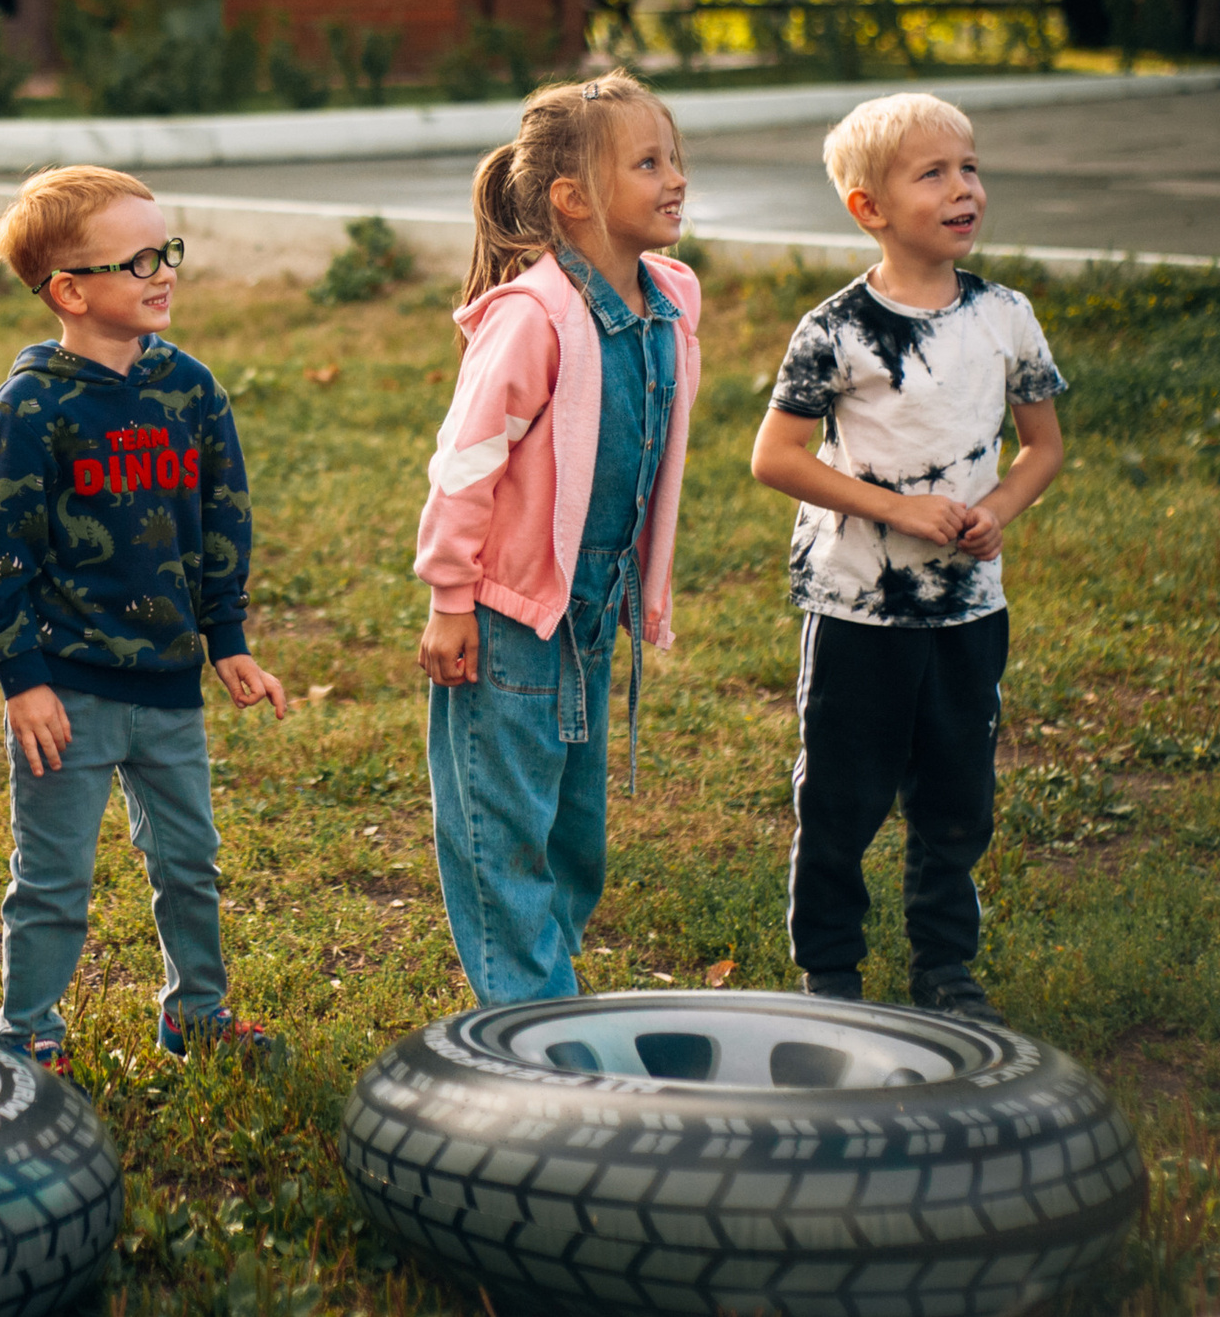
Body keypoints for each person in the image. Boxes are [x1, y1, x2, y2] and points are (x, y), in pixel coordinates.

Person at [751, 93, 1064, 1024]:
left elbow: (1041, 445)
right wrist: (898, 509)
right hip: (857, 607)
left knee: (958, 791)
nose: (963, 187)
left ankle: (944, 967)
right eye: (933, 172)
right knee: (843, 795)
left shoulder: (1006, 316)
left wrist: (996, 509)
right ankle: (832, 971)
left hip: (969, 607)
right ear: (869, 208)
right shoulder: (836, 328)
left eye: (969, 166)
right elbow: (776, 457)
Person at [0, 165, 287, 1073]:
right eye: (139, 258)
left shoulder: (190, 389)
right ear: (69, 290)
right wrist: (21, 678)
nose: (163, 270)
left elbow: (224, 514)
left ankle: (197, 1012)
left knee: (190, 863)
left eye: (167, 250)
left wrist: (226, 639)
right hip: (66, 692)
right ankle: (28, 1037)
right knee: (54, 879)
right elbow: (0, 556)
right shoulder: (31, 407)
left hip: (168, 687)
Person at [414, 70, 702, 1006]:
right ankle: (528, 1024)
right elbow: (465, 463)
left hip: (590, 608)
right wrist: (450, 600)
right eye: (649, 162)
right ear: (573, 199)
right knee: (502, 828)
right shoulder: (533, 317)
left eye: (676, 157)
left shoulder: (668, 302)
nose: (675, 178)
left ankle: (544, 976)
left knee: (575, 828)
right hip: (507, 617)